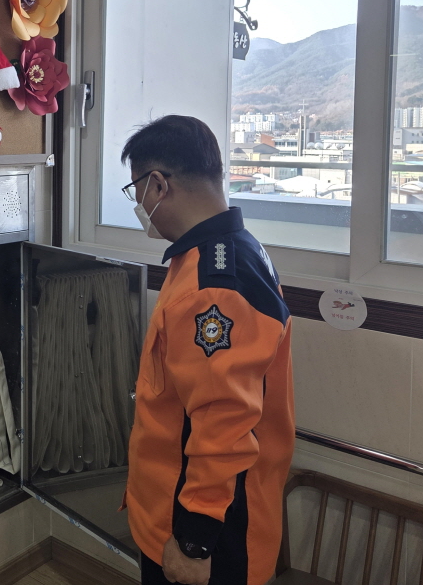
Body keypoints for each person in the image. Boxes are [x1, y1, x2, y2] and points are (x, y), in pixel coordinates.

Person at [120, 116, 295, 585]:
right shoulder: (228, 250)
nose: (138, 204)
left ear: (158, 184)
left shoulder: (214, 284)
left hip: (208, 532)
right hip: (176, 507)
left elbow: (223, 422)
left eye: (136, 190)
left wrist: (193, 542)